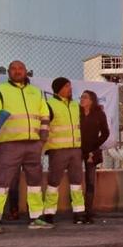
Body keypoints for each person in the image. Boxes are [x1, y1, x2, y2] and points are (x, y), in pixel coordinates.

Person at [0, 60, 52, 234]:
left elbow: (45, 116)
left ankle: (36, 217)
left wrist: (42, 139)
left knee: (35, 182)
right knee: (2, 181)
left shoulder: (36, 92)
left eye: (20, 68)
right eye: (13, 69)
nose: (17, 71)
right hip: (10, 143)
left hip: (33, 144)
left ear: (26, 71)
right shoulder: (1, 91)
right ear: (8, 72)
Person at [42, 78, 85, 225]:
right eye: (67, 86)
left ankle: (79, 213)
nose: (70, 89)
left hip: (75, 150)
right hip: (57, 150)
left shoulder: (75, 105)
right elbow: (44, 128)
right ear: (58, 89)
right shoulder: (49, 105)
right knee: (53, 182)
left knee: (77, 182)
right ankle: (48, 213)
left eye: (70, 86)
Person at [79, 90, 109, 224]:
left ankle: (88, 211)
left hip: (91, 152)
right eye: (81, 97)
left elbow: (105, 133)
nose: (82, 99)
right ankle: (78, 210)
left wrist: (95, 146)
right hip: (77, 150)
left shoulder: (99, 114)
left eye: (85, 97)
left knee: (90, 182)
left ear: (91, 100)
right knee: (75, 181)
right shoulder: (76, 112)